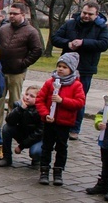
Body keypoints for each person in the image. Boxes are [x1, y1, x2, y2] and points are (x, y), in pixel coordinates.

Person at [51, 1, 108, 140]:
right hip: (66, 68)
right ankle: (56, 121)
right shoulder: (70, 23)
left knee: (79, 99)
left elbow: (104, 44)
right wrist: (68, 43)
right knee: (59, 95)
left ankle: (75, 128)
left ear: (96, 15)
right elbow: (55, 38)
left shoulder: (101, 27)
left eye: (90, 14)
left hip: (85, 68)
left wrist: (84, 42)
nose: (86, 16)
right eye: (84, 13)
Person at [35, 52, 85, 186]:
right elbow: (40, 100)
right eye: (59, 66)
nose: (61, 69)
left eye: (64, 67)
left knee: (62, 148)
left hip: (64, 122)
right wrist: (45, 114)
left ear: (71, 69)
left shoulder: (76, 85)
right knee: (46, 146)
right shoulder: (50, 82)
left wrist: (63, 101)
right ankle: (44, 171)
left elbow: (79, 103)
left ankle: (58, 172)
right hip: (49, 121)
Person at [0, 3, 43, 129]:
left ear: (23, 14)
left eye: (15, 14)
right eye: (10, 13)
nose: (12, 16)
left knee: (14, 100)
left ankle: (12, 124)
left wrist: (23, 63)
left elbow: (37, 50)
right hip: (1, 70)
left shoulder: (31, 31)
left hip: (17, 72)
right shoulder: (3, 29)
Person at [87, 78, 108, 201]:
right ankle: (103, 184)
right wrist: (99, 123)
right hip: (106, 141)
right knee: (106, 164)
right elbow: (100, 116)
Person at [0, 85, 43, 168]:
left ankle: (37, 159)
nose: (27, 97)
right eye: (26, 94)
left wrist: (20, 147)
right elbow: (9, 121)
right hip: (23, 133)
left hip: (37, 138)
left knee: (36, 152)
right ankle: (7, 157)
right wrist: (20, 109)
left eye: (32, 96)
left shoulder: (41, 110)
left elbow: (39, 133)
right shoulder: (19, 105)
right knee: (6, 128)